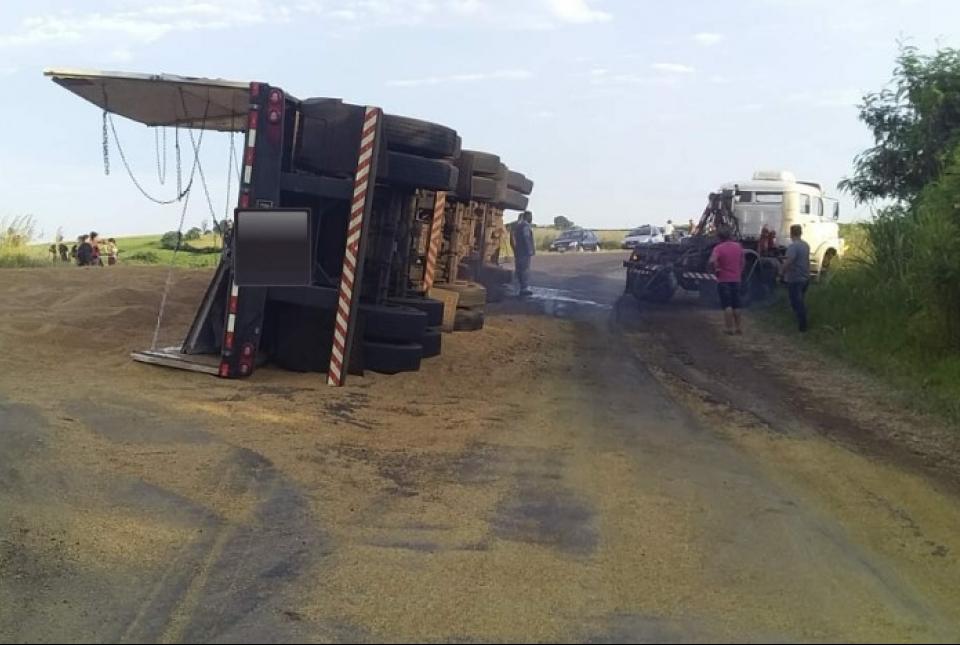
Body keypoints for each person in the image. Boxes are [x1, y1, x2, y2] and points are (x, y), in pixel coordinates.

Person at [707, 226, 744, 335]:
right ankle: (738, 327)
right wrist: (739, 272)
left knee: (727, 305)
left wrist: (714, 270)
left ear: (719, 237)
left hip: (723, 280)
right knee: (736, 304)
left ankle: (729, 328)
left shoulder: (718, 248)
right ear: (730, 235)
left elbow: (712, 261)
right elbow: (742, 262)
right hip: (736, 279)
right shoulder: (738, 247)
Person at [780, 224, 811, 332]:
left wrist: (781, 272)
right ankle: (801, 322)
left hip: (795, 278)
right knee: (800, 300)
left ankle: (803, 326)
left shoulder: (793, 246)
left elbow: (789, 261)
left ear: (791, 233)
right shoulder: (806, 245)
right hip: (805, 277)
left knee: (796, 302)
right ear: (801, 233)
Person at [514, 211, 536, 297]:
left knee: (519, 269)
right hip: (524, 251)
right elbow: (526, 238)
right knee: (525, 269)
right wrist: (530, 249)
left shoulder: (518, 226)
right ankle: (524, 288)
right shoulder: (526, 226)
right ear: (527, 217)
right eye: (530, 216)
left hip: (518, 250)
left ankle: (519, 287)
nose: (531, 218)